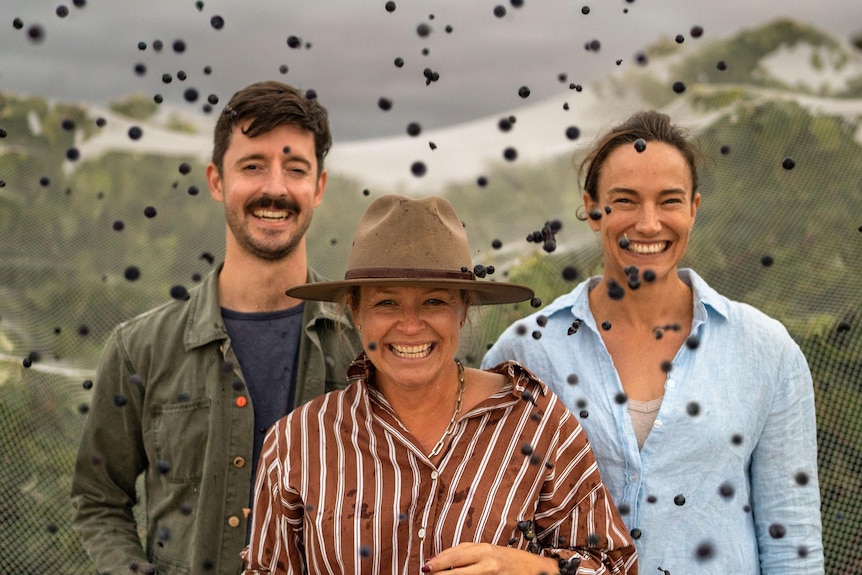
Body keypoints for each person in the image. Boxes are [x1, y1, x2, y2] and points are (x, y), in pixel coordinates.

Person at [483, 110, 823, 574]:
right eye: (625, 200)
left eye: (669, 201)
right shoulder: (528, 350)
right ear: (592, 209)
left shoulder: (765, 350)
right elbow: (496, 523)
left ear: (693, 209)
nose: (648, 224)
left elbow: (792, 543)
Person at [241, 194, 638, 575]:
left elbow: (614, 565)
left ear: (463, 309)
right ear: (355, 312)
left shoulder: (534, 423)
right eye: (386, 303)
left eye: (434, 302)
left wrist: (526, 568)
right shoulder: (298, 442)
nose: (411, 325)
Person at [70, 81, 362, 575]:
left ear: (319, 187)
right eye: (253, 166)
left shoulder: (364, 346)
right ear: (216, 180)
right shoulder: (140, 349)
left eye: (296, 169)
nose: (275, 188)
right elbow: (99, 499)